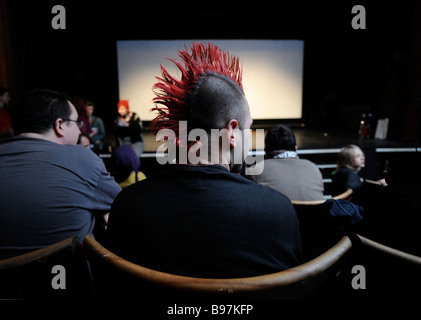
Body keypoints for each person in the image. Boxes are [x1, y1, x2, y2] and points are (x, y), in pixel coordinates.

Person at [105, 42, 303, 279]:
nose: (250, 139)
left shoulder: (127, 206)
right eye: (249, 129)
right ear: (231, 132)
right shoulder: (278, 210)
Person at [0, 89, 121, 259]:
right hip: (67, 282)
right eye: (77, 123)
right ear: (59, 125)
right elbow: (122, 206)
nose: (80, 131)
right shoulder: (82, 158)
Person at [248, 124, 324, 201]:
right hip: (314, 212)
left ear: (265, 150)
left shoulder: (256, 171)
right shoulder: (313, 167)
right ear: (295, 149)